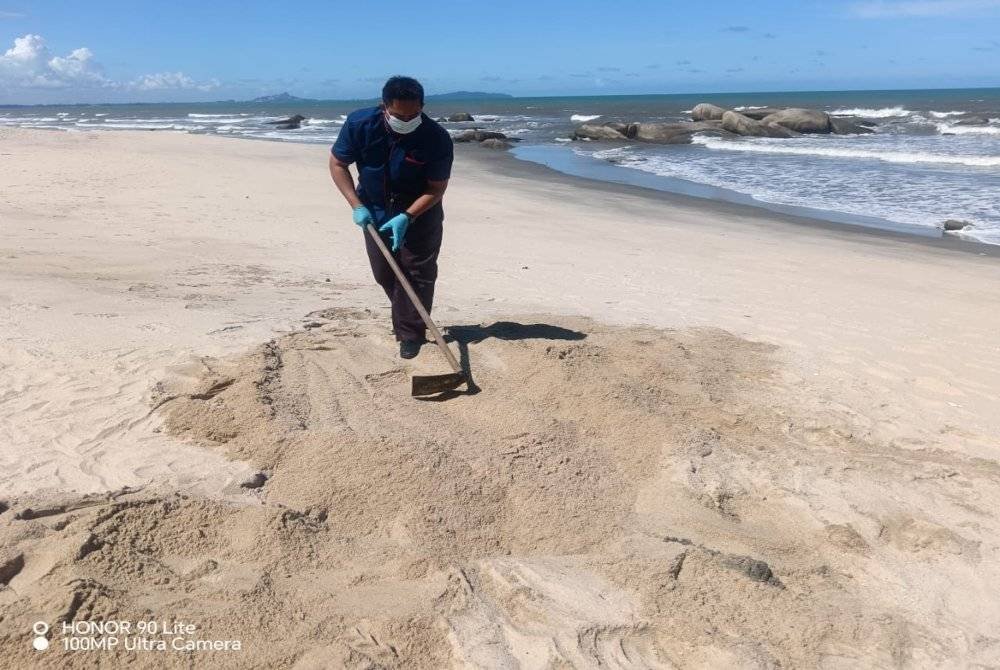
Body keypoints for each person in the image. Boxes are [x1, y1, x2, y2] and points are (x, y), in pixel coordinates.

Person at [328, 76, 454, 360]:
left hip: (421, 212)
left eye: (413, 114)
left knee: (418, 273)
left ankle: (411, 334)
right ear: (385, 106)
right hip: (374, 209)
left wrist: (407, 217)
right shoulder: (360, 125)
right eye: (399, 115)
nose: (406, 120)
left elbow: (436, 188)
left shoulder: (436, 138)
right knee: (385, 273)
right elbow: (338, 164)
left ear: (423, 106)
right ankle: (409, 317)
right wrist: (356, 205)